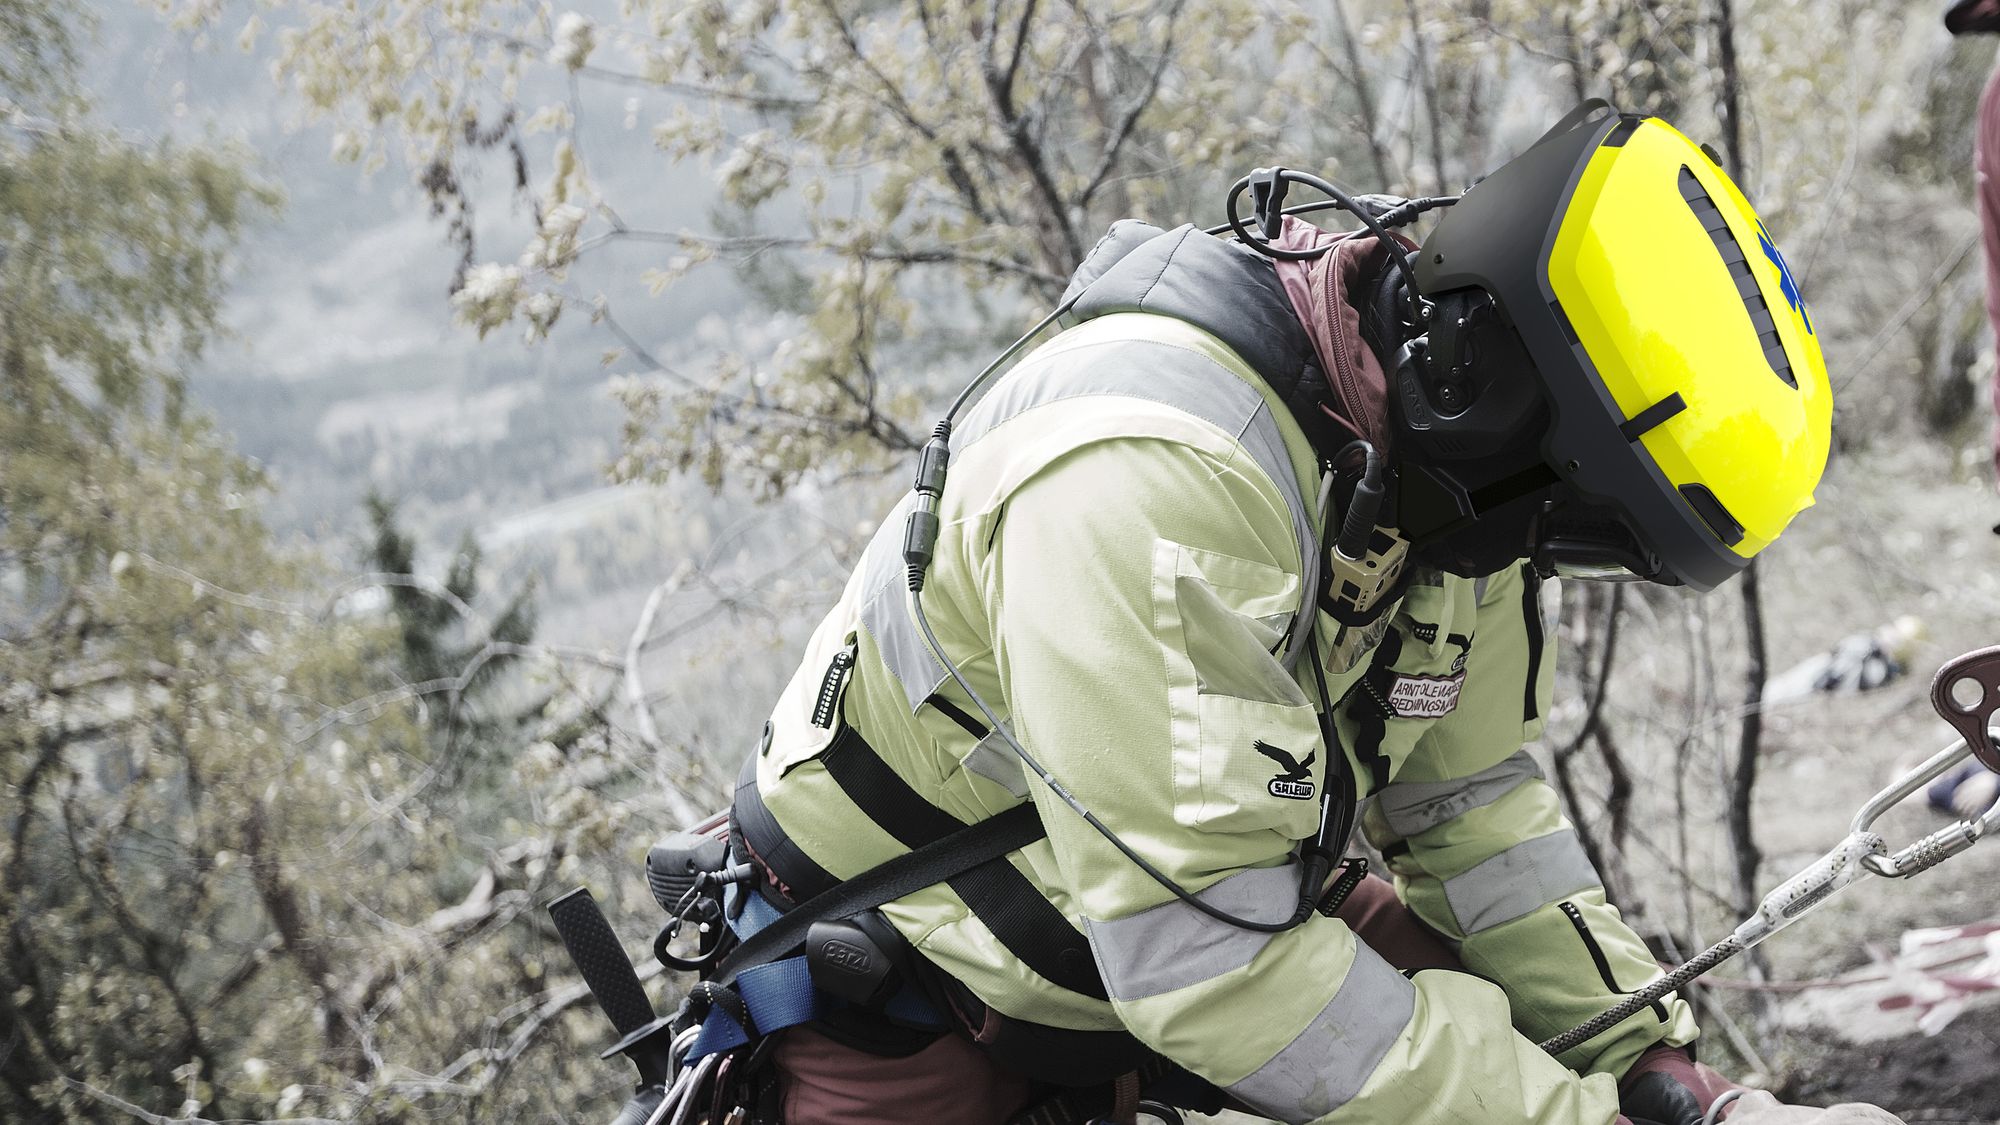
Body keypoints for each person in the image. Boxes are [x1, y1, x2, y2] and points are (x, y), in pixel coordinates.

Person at [713, 104, 1895, 1124]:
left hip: (1200, 898)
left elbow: (1464, 799)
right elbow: (1211, 967)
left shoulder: (1438, 463)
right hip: (915, 981)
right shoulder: (1152, 480)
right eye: (1572, 526)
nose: (1549, 557)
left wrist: (1646, 1068)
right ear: (1488, 386)